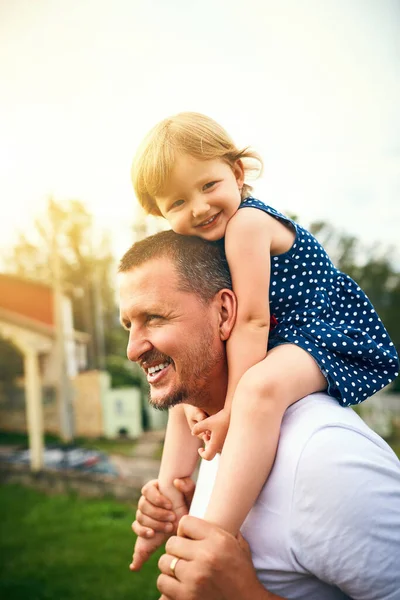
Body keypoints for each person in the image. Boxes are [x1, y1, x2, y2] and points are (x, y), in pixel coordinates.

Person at [128, 112, 399, 569]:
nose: (198, 207)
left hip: (325, 332)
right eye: (177, 202)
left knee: (258, 391)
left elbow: (252, 321)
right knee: (184, 397)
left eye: (209, 185)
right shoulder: (206, 239)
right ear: (159, 213)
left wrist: (234, 406)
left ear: (237, 172)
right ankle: (167, 500)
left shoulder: (246, 226)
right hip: (285, 337)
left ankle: (208, 543)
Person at [118, 230, 400, 599]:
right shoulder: (218, 427)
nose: (132, 349)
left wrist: (245, 594)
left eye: (153, 318)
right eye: (128, 325)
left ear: (224, 312)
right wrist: (186, 516)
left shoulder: (325, 459)